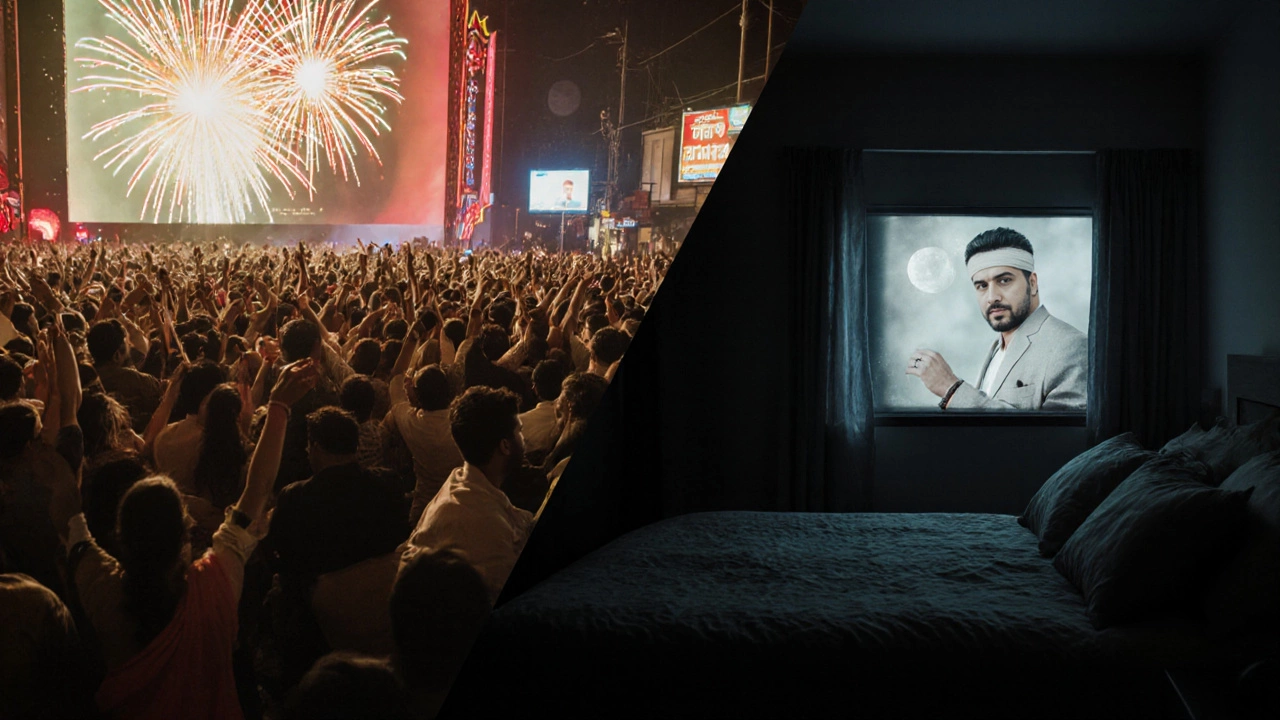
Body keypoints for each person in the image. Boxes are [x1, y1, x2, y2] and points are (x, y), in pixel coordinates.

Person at [51, 359, 320, 720]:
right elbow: (257, 490)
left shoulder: (102, 589)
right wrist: (279, 406)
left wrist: (61, 404)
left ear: (120, 539)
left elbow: (69, 510)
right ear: (185, 533)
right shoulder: (216, 581)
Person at [907, 227, 1087, 411]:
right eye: (982, 285)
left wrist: (951, 390)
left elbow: (1060, 430)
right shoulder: (996, 347)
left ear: (1032, 283)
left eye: (1004, 280)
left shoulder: (1070, 346)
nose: (992, 297)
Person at [399, 386, 533, 604]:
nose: (523, 438)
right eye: (520, 431)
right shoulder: (488, 527)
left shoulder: (459, 478)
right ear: (505, 446)